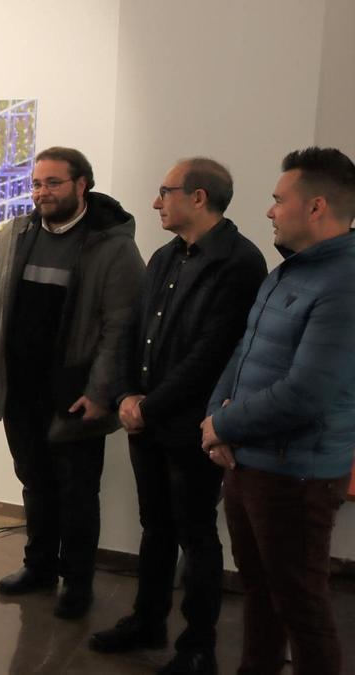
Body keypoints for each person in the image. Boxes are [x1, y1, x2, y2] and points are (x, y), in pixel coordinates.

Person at [89, 159, 266, 674]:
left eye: (165, 192)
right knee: (155, 527)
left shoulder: (239, 262)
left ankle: (198, 644)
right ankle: (148, 620)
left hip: (190, 424)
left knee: (195, 533)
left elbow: (212, 353)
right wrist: (125, 393)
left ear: (199, 197)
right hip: (145, 417)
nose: (155, 202)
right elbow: (133, 330)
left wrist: (149, 404)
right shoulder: (165, 256)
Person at [201, 147, 355, 675]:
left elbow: (307, 392)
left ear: (315, 207)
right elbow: (241, 357)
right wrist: (216, 419)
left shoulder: (344, 284)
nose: (269, 211)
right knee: (261, 594)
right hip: (250, 462)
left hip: (298, 475)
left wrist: (223, 423)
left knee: (301, 605)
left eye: (277, 199)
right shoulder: (285, 273)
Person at [0, 146, 144, 619]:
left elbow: (120, 326)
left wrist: (101, 390)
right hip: (22, 389)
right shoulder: (17, 232)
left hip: (76, 394)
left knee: (77, 494)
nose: (41, 192)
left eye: (52, 183)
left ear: (81, 184)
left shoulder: (112, 245)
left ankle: (78, 582)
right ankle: (40, 567)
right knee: (35, 483)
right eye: (36, 184)